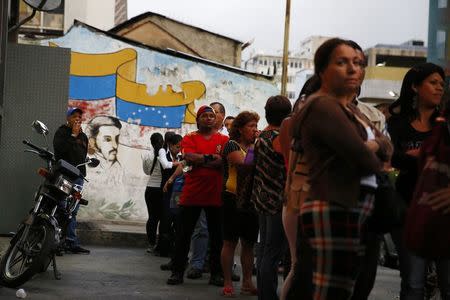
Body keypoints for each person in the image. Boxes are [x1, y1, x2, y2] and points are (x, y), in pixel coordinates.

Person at [291, 38, 391, 299]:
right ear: (322, 70)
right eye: (342, 62)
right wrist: (372, 147)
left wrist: (372, 145)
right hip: (334, 203)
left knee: (350, 285)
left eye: (358, 63)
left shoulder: (351, 110)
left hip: (355, 204)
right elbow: (365, 159)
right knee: (331, 290)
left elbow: (388, 147)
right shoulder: (323, 105)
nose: (352, 69)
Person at [387, 62, 446, 300]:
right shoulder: (396, 124)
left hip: (442, 210)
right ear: (415, 87)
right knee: (413, 281)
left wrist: (416, 157)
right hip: (407, 207)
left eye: (442, 84)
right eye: (433, 83)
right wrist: (428, 158)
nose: (439, 88)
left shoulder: (445, 125)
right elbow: (389, 157)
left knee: (447, 282)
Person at [165, 105, 229, 286]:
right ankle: (177, 272)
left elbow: (222, 161)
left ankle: (216, 273)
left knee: (217, 238)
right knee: (183, 236)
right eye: (205, 116)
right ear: (198, 120)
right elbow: (189, 158)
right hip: (192, 194)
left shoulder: (223, 139)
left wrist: (202, 159)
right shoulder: (189, 137)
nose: (209, 118)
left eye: (211, 116)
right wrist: (211, 159)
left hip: (215, 195)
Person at [251, 95, 291, 300]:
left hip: (261, 198)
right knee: (272, 253)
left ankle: (264, 295)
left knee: (266, 250)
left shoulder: (261, 136)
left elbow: (251, 163)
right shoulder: (280, 138)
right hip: (278, 201)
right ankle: (268, 296)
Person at [220, 111, 260, 297]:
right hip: (232, 198)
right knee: (230, 242)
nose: (255, 130)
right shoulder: (231, 145)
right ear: (240, 129)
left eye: (255, 126)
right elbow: (245, 165)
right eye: (251, 126)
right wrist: (254, 146)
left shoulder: (255, 146)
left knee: (249, 243)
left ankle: (247, 282)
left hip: (251, 199)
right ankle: (227, 282)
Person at [53, 107, 90, 254]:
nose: (78, 119)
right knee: (60, 206)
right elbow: (60, 150)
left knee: (72, 211)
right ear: (68, 118)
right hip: (64, 175)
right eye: (74, 116)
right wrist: (73, 135)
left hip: (78, 177)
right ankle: (54, 241)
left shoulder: (84, 137)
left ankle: (71, 242)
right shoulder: (62, 132)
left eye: (80, 117)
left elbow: (81, 156)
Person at [156, 133, 183, 257]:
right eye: (177, 147)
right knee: (166, 217)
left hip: (177, 190)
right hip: (166, 189)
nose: (179, 149)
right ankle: (163, 247)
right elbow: (165, 165)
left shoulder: (180, 155)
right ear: (170, 145)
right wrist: (182, 163)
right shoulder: (163, 151)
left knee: (176, 218)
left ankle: (173, 246)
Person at [142, 132, 164, 253]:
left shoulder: (147, 155)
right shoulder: (165, 155)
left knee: (152, 218)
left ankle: (151, 243)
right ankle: (161, 244)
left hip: (150, 189)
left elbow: (146, 172)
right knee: (163, 218)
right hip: (162, 189)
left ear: (151, 142)